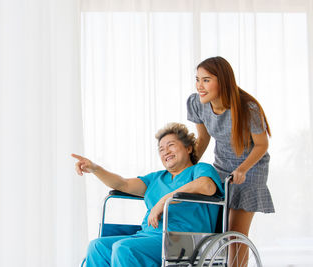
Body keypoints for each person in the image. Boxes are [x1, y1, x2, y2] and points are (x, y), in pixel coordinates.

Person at [72, 123, 223, 267]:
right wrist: (94, 168)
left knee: (124, 248)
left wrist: (164, 201)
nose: (166, 152)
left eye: (171, 145)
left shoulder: (200, 169)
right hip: (147, 236)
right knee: (97, 247)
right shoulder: (156, 178)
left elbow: (207, 186)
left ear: (189, 148)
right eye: (161, 149)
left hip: (184, 240)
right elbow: (122, 184)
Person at [187, 56, 274, 263]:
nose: (200, 86)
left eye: (206, 80)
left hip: (250, 169)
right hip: (222, 165)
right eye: (197, 79)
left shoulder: (247, 108)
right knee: (214, 227)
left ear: (223, 81)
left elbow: (262, 145)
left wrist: (242, 169)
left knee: (235, 234)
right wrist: (187, 168)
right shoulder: (197, 103)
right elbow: (203, 138)